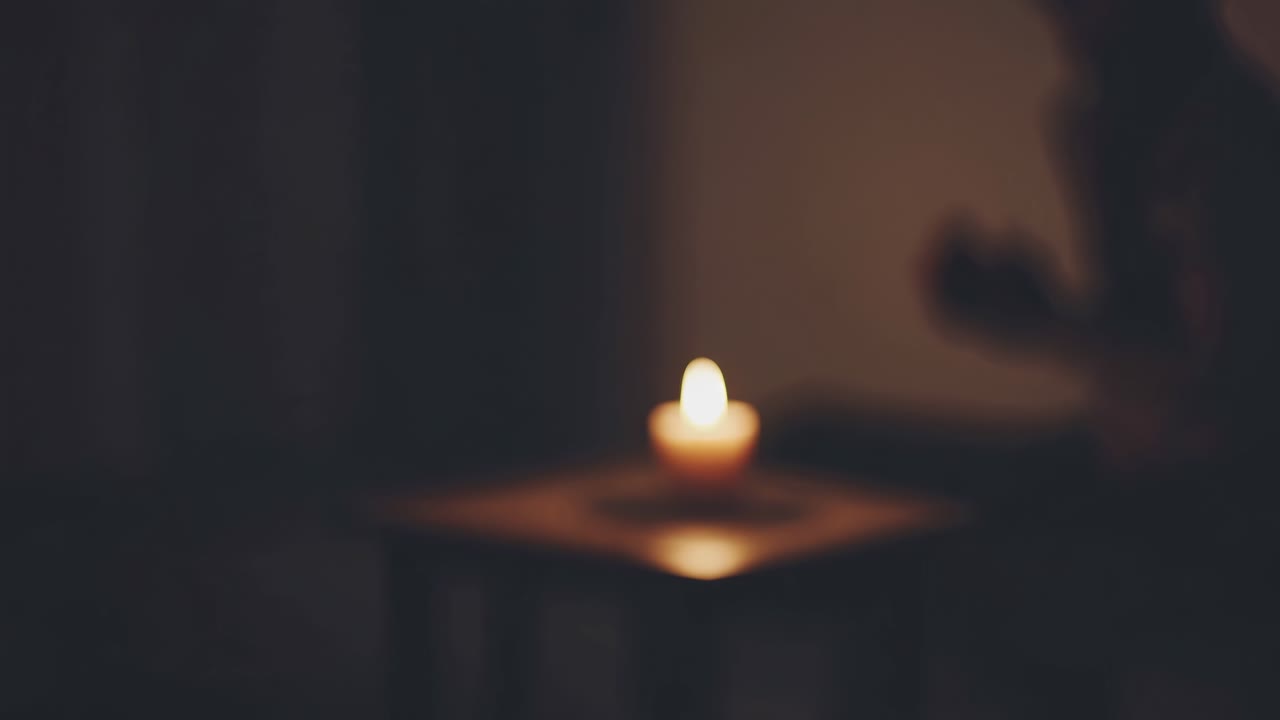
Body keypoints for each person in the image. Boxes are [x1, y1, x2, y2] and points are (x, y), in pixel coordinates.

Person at [768, 0, 1280, 716]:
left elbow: (1217, 405)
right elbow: (1142, 339)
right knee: (807, 446)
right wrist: (1035, 310)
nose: (1059, 22)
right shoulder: (1107, 121)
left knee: (925, 568)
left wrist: (1051, 324)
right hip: (1111, 466)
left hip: (1208, 521)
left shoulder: (1228, 147)